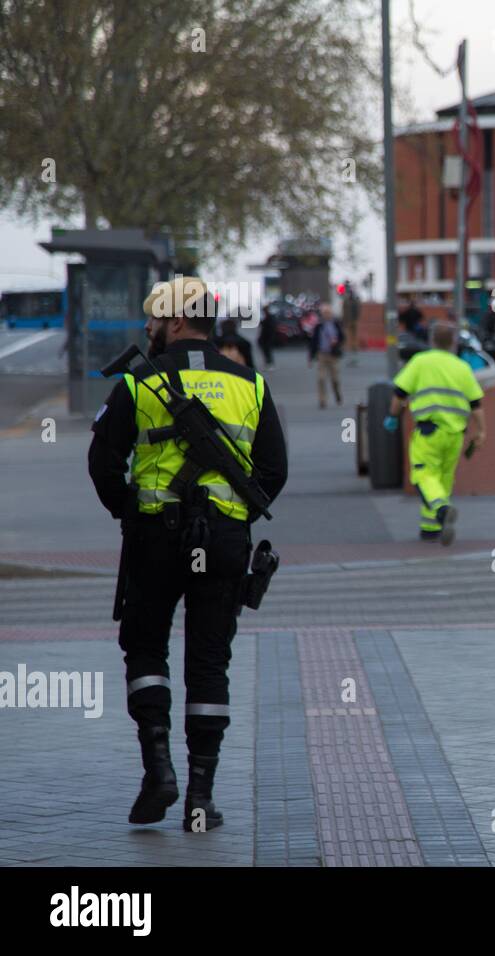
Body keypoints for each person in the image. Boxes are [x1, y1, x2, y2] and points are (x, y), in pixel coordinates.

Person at [87, 275, 288, 831]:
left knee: (146, 649)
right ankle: (201, 798)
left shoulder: (135, 384)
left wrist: (127, 507)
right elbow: (274, 470)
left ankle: (159, 773)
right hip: (223, 543)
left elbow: (103, 461)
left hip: (154, 538)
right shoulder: (252, 383)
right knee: (209, 662)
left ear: (176, 322)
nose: (148, 329)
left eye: (154, 319)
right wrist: (235, 517)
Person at [385, 322, 486, 544]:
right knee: (443, 480)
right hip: (455, 434)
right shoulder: (462, 367)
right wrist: (481, 432)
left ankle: (441, 511)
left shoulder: (420, 362)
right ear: (453, 342)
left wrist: (393, 417)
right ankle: (431, 528)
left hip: (429, 432)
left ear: (431, 341)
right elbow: (476, 404)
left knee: (424, 475)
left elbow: (399, 394)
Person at [308, 303, 344, 409]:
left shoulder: (336, 324)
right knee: (321, 378)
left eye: (328, 313)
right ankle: (322, 400)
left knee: (335, 379)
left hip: (333, 355)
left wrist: (336, 342)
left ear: (331, 314)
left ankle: (337, 394)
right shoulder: (319, 326)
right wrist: (311, 357)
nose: (326, 315)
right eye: (324, 313)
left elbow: (342, 337)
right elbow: (313, 342)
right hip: (322, 355)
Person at [342, 281, 361, 366]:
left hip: (351, 321)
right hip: (351, 321)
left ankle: (352, 358)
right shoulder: (352, 301)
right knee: (351, 340)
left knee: (351, 340)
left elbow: (345, 312)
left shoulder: (348, 301)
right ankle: (352, 357)